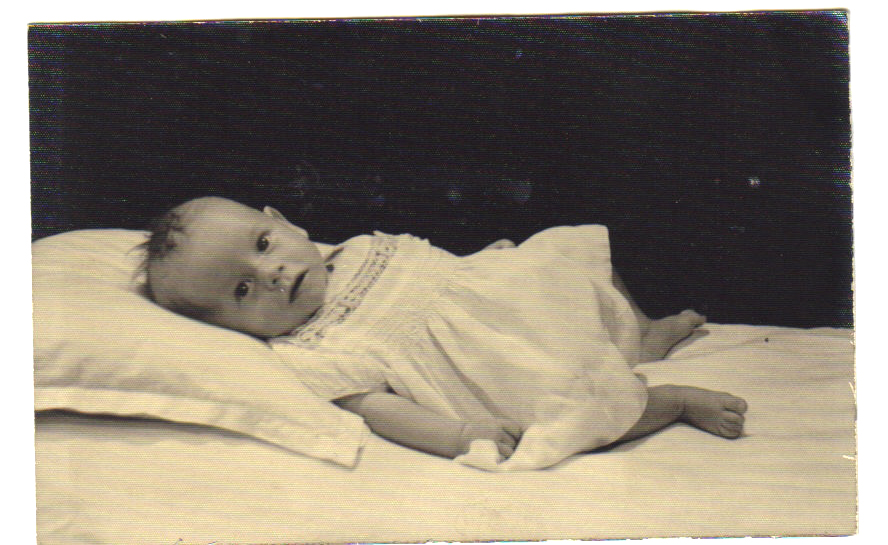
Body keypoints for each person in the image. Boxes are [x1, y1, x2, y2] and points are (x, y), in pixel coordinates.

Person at [143, 196, 747, 470]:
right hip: (497, 362)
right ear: (229, 327)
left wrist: (486, 261)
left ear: (284, 222)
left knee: (568, 255)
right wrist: (459, 435)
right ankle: (668, 403)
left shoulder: (360, 247)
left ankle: (639, 334)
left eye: (262, 244)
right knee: (569, 410)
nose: (270, 273)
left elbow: (438, 276)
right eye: (241, 291)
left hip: (514, 299)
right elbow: (378, 409)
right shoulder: (308, 351)